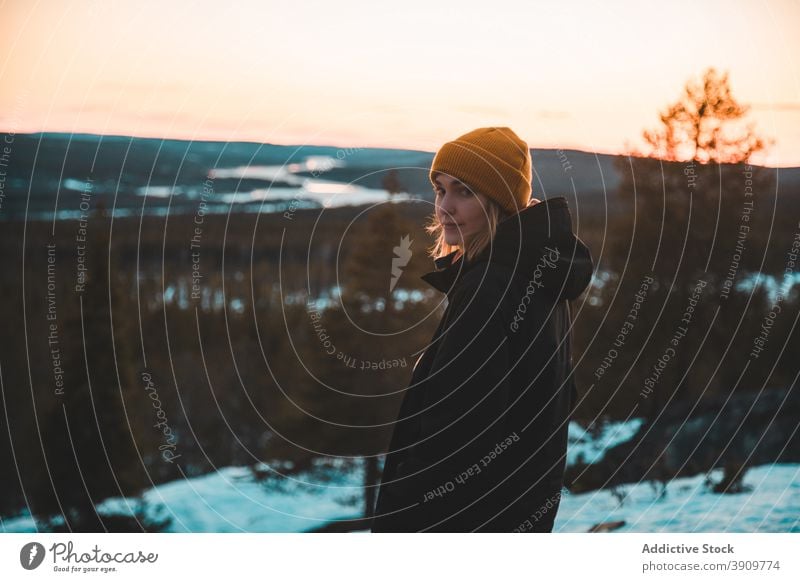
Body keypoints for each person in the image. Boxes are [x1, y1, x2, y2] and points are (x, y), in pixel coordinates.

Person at [370, 127, 594, 532]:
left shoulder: (491, 287)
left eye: (465, 192)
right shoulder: (539, 275)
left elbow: (455, 437)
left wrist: (397, 522)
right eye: (440, 189)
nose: (444, 207)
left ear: (500, 202)